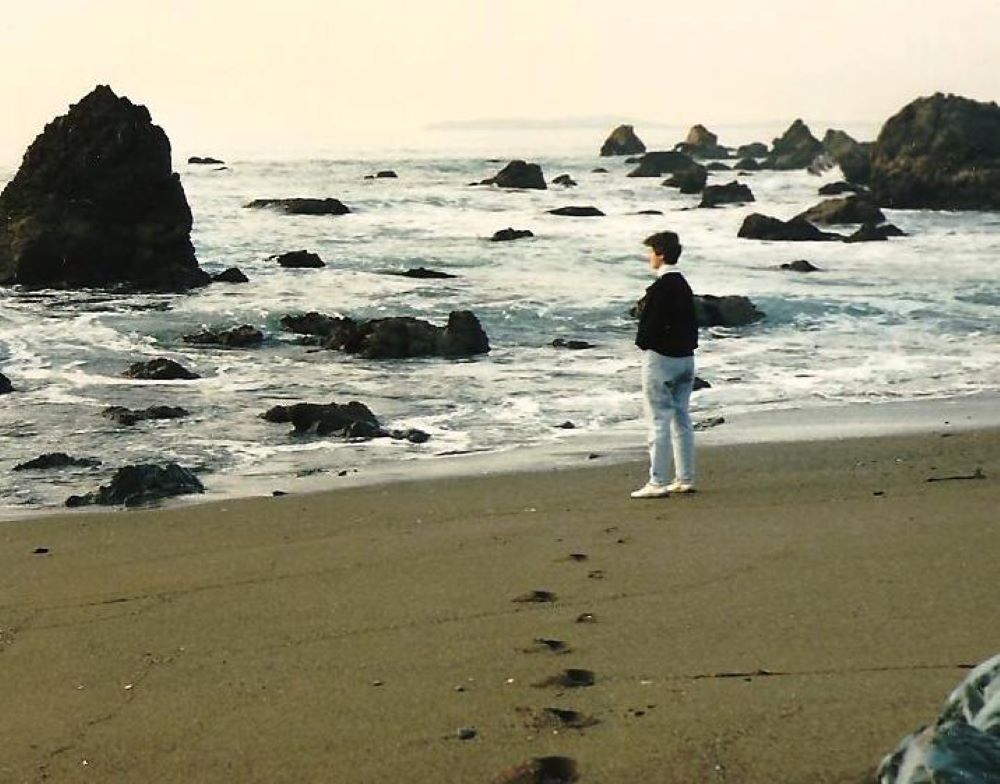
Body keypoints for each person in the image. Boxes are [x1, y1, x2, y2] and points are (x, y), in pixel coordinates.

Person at [631, 230, 698, 499]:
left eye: (651, 252)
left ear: (660, 254)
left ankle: (657, 481)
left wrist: (643, 342)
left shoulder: (661, 288)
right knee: (681, 418)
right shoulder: (683, 285)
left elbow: (650, 327)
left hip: (662, 359)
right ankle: (685, 477)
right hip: (686, 358)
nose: (649, 257)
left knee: (658, 419)